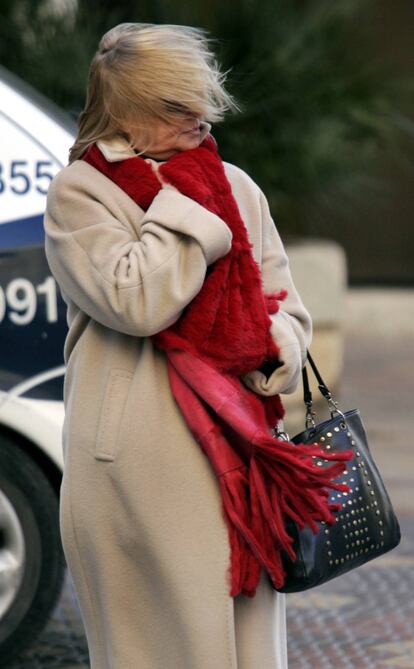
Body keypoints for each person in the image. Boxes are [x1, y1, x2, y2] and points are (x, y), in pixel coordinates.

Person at [43, 22, 313, 669]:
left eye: (197, 96)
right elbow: (138, 300)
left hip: (240, 463)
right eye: (174, 104)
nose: (198, 115)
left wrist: (270, 347)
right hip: (133, 476)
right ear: (127, 114)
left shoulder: (239, 187)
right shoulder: (80, 197)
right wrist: (189, 211)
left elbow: (290, 311)